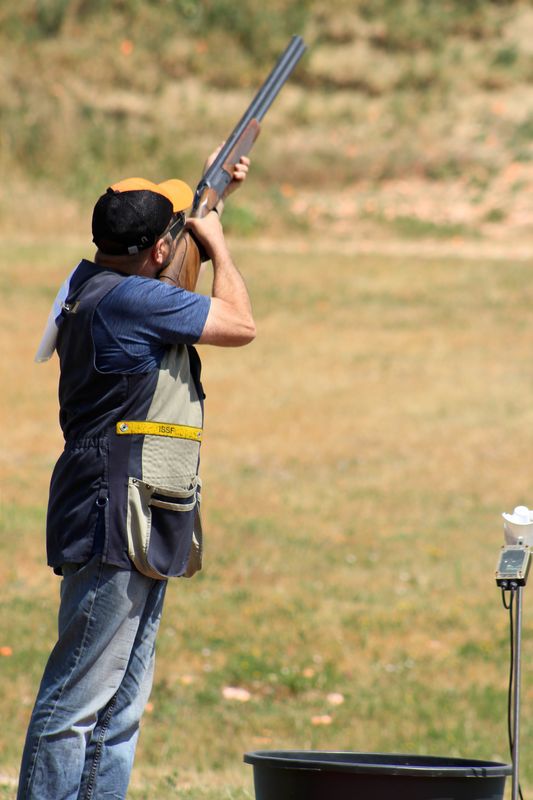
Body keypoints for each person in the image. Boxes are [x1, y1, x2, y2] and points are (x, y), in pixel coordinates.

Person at [17, 153, 255, 800]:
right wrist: (218, 244)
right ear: (157, 252)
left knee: (119, 708)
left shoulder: (96, 284)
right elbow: (241, 324)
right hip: (114, 516)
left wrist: (214, 198)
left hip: (136, 511)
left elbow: (166, 259)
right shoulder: (133, 301)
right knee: (75, 705)